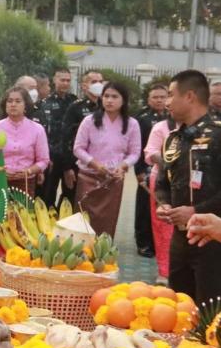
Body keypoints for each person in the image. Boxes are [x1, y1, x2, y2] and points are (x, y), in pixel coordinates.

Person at [154, 70, 221, 304]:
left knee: (211, 311)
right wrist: (164, 204)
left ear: (189, 96)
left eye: (170, 94)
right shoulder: (173, 139)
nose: (167, 102)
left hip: (214, 239)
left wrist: (196, 211)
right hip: (180, 240)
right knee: (178, 308)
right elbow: (162, 182)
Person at [72, 81, 140, 238]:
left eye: (115, 97)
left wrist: (122, 166)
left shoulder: (132, 124)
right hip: (89, 176)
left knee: (107, 221)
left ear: (124, 100)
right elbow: (78, 148)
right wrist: (96, 165)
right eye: (106, 96)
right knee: (83, 219)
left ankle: (102, 253)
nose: (109, 100)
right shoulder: (89, 121)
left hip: (113, 178)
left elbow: (135, 153)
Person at [0, 87, 50, 196]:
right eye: (9, 101)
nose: (13, 104)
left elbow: (44, 161)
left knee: (22, 213)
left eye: (18, 101)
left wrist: (29, 171)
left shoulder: (37, 129)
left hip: (25, 182)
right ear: (5, 105)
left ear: (26, 105)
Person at [143, 99, 178, 284]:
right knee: (163, 226)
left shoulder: (199, 129)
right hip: (162, 180)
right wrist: (169, 161)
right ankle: (164, 272)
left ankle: (181, 269)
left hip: (190, 183)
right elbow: (150, 153)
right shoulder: (161, 128)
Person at [133, 83, 168, 258]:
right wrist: (139, 171)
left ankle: (158, 242)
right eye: (156, 97)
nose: (160, 100)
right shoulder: (142, 118)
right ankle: (143, 242)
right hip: (147, 169)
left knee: (161, 205)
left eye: (163, 96)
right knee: (144, 207)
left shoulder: (173, 117)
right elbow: (137, 146)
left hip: (167, 170)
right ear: (149, 99)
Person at [58, 70, 103, 208]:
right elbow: (65, 138)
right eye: (93, 82)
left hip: (101, 165)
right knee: (71, 200)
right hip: (77, 164)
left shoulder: (107, 107)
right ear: (84, 86)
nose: (98, 85)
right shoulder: (75, 108)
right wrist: (67, 168)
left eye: (100, 81)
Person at [38, 67, 76, 206]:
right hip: (51, 157)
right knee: (48, 195)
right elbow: (42, 132)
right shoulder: (44, 103)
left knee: (70, 195)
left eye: (68, 80)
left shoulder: (75, 102)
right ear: (54, 80)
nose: (65, 83)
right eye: (62, 80)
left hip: (69, 157)